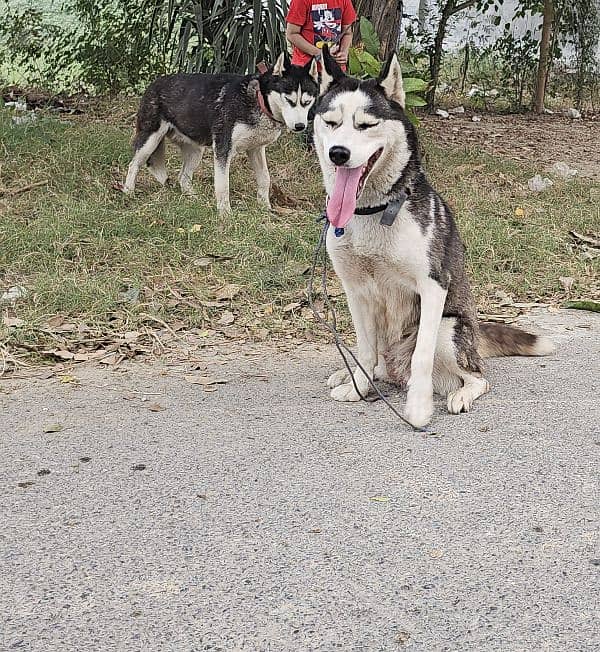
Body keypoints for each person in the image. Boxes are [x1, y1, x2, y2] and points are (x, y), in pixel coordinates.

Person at [285, 0, 357, 71]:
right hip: (305, 69)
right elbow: (291, 34)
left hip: (335, 70)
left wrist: (343, 52)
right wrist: (319, 54)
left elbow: (347, 33)